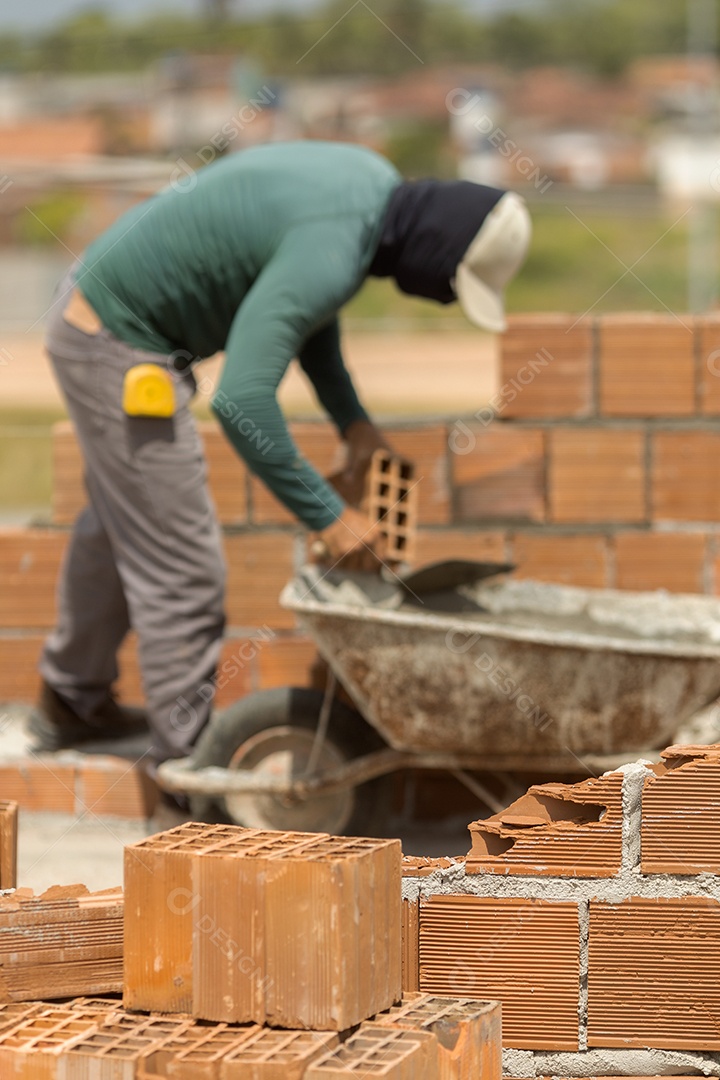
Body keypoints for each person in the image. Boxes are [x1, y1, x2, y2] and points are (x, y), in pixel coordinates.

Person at [29, 140, 531, 766]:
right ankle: (185, 773)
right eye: (452, 284)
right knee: (183, 565)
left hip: (98, 311)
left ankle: (72, 705)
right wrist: (327, 515)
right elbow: (241, 402)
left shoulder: (367, 186)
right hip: (116, 338)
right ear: (436, 255)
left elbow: (305, 313)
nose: (443, 296)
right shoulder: (338, 246)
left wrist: (353, 425)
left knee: (125, 523)